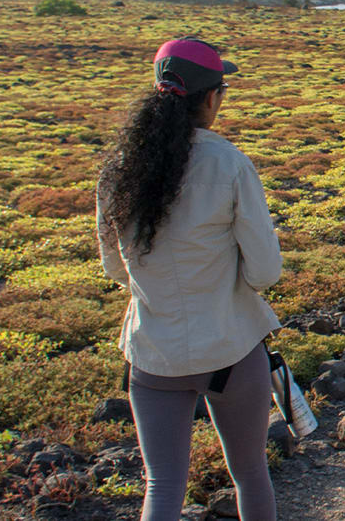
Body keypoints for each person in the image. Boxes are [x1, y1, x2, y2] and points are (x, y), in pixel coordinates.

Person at [97, 37, 280, 521]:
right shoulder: (229, 163)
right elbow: (265, 272)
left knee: (161, 485)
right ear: (211, 97)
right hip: (231, 348)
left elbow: (115, 268)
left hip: (154, 354)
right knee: (250, 474)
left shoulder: (119, 170)